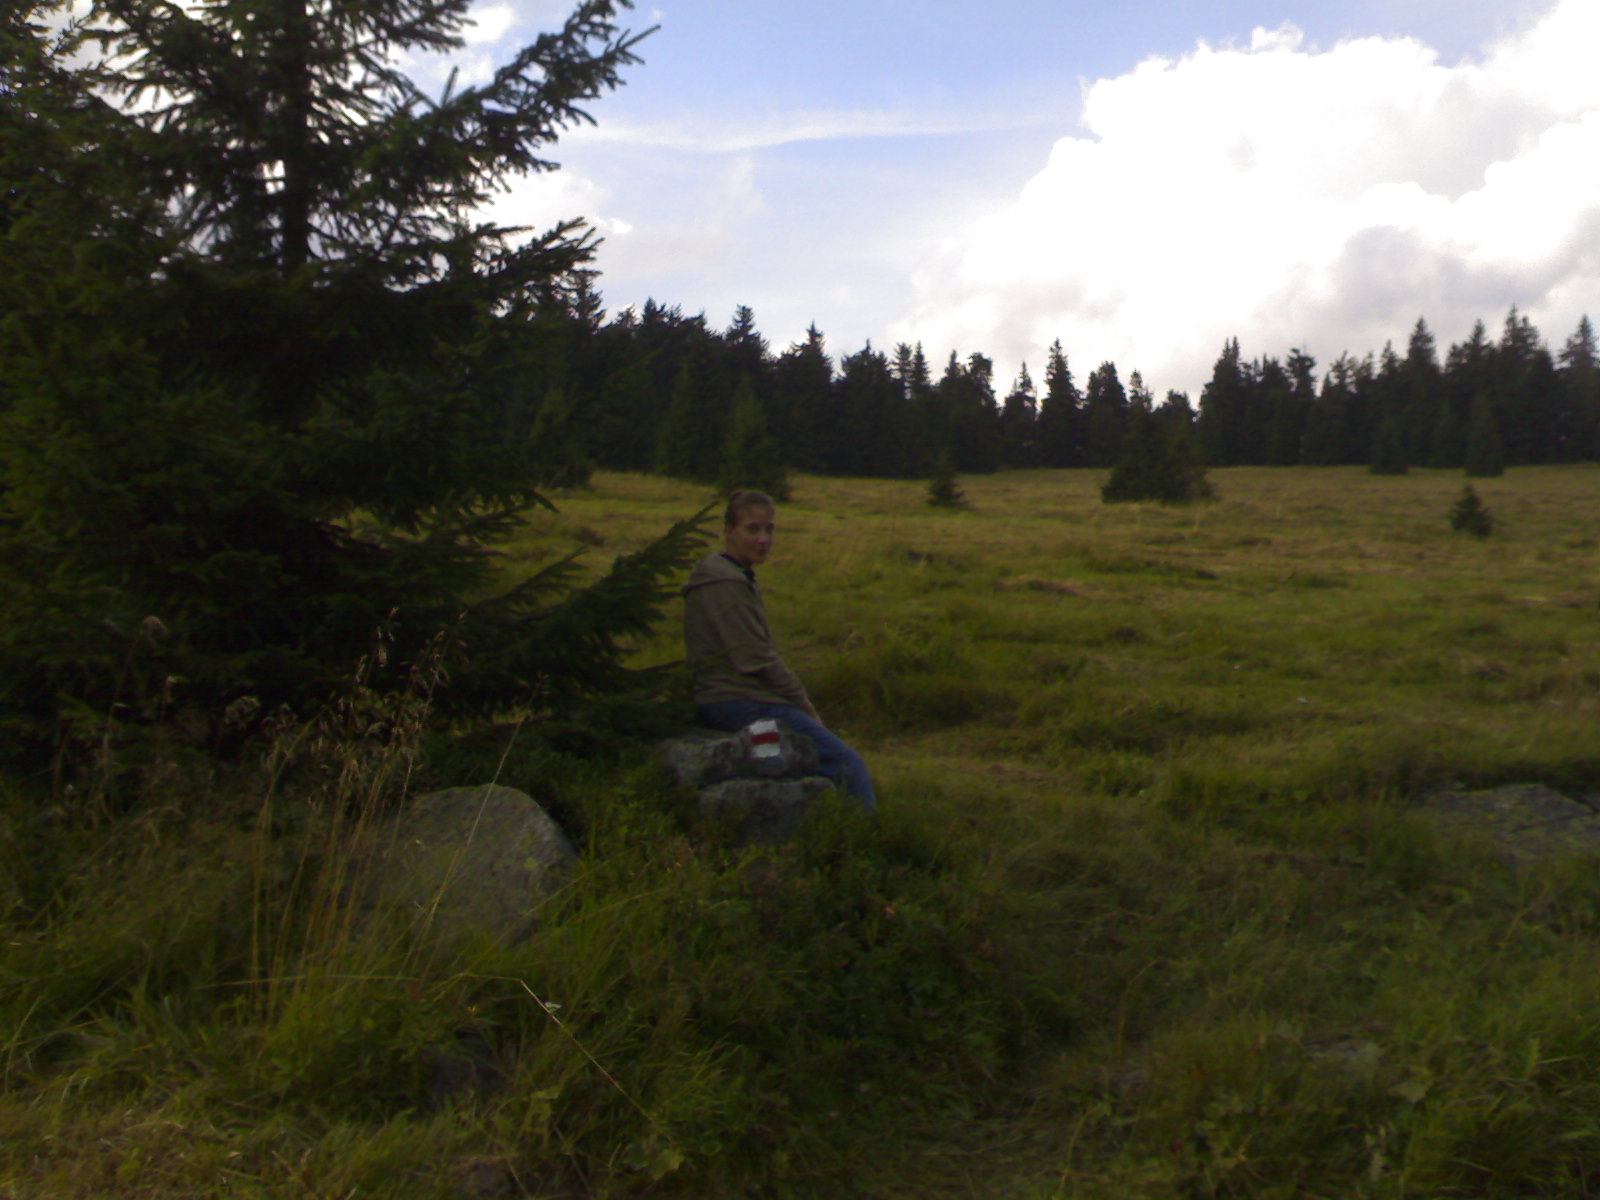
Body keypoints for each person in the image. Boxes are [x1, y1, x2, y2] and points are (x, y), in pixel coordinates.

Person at [683, 490, 876, 812]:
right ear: (729, 531)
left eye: (769, 529)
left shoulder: (732, 575)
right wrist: (803, 703)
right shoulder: (727, 584)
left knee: (776, 765)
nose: (763, 539)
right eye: (752, 529)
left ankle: (796, 816)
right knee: (850, 765)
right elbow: (756, 658)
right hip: (741, 702)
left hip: (732, 700)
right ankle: (866, 835)